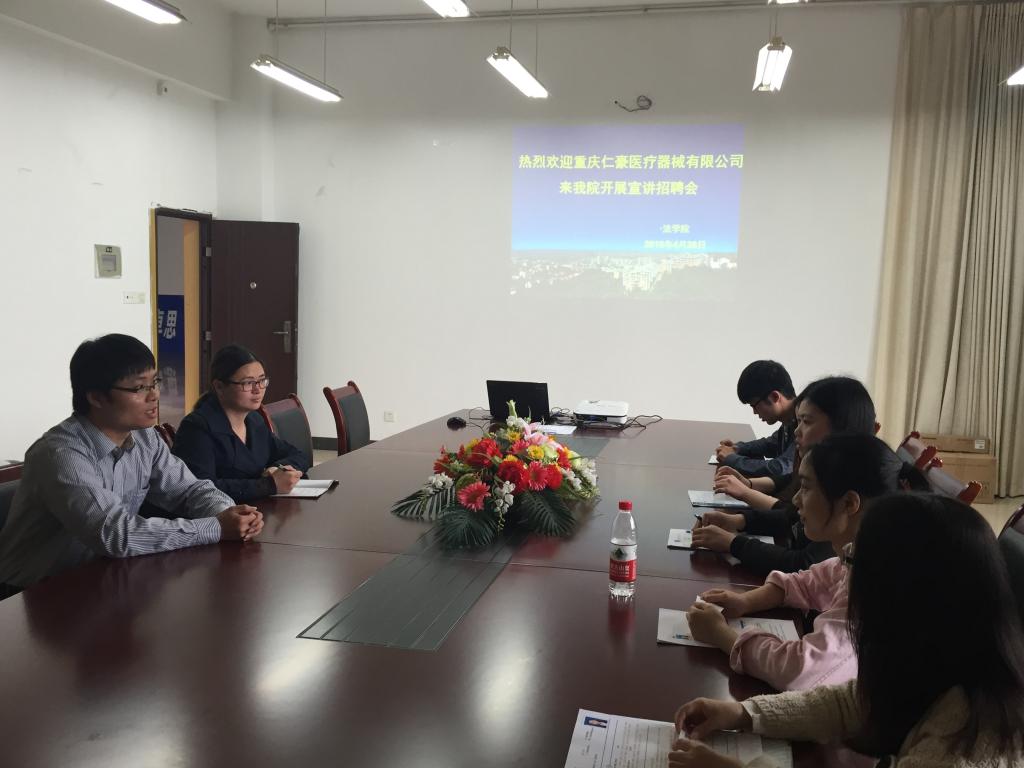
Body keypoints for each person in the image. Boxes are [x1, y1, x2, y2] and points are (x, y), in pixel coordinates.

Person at [669, 493, 1024, 768]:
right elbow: (849, 703)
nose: (843, 567)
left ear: (903, 597)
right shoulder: (943, 657)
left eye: (854, 561)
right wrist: (744, 714)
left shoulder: (969, 740)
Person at [0, 334, 263, 599]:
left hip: (102, 578)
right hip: (30, 596)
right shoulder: (61, 454)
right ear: (97, 397)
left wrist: (228, 513)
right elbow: (116, 534)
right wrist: (216, 527)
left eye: (155, 383)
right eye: (139, 388)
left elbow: (189, 490)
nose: (155, 395)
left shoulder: (145, 437)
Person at [686, 434, 927, 692]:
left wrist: (721, 635)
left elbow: (799, 671)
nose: (796, 500)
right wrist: (745, 601)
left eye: (806, 488)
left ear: (849, 503)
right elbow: (806, 582)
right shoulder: (858, 555)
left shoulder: (875, 583)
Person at [692, 376, 876, 573]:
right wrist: (739, 521)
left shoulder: (849, 488)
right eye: (798, 421)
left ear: (841, 427)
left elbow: (804, 564)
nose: (796, 431)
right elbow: (791, 518)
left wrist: (733, 543)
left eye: (806, 421)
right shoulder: (825, 470)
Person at [171, 345, 309, 502]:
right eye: (248, 383)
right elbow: (199, 489)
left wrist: (276, 469)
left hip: (259, 508)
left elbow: (298, 455)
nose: (258, 389)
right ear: (219, 387)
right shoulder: (197, 427)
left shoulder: (254, 420)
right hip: (221, 513)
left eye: (262, 380)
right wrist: (268, 485)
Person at [715, 361, 798, 478]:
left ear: (775, 397)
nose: (754, 412)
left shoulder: (805, 422)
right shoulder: (790, 419)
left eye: (754, 405)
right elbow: (771, 444)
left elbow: (781, 468)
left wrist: (732, 459)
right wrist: (737, 448)